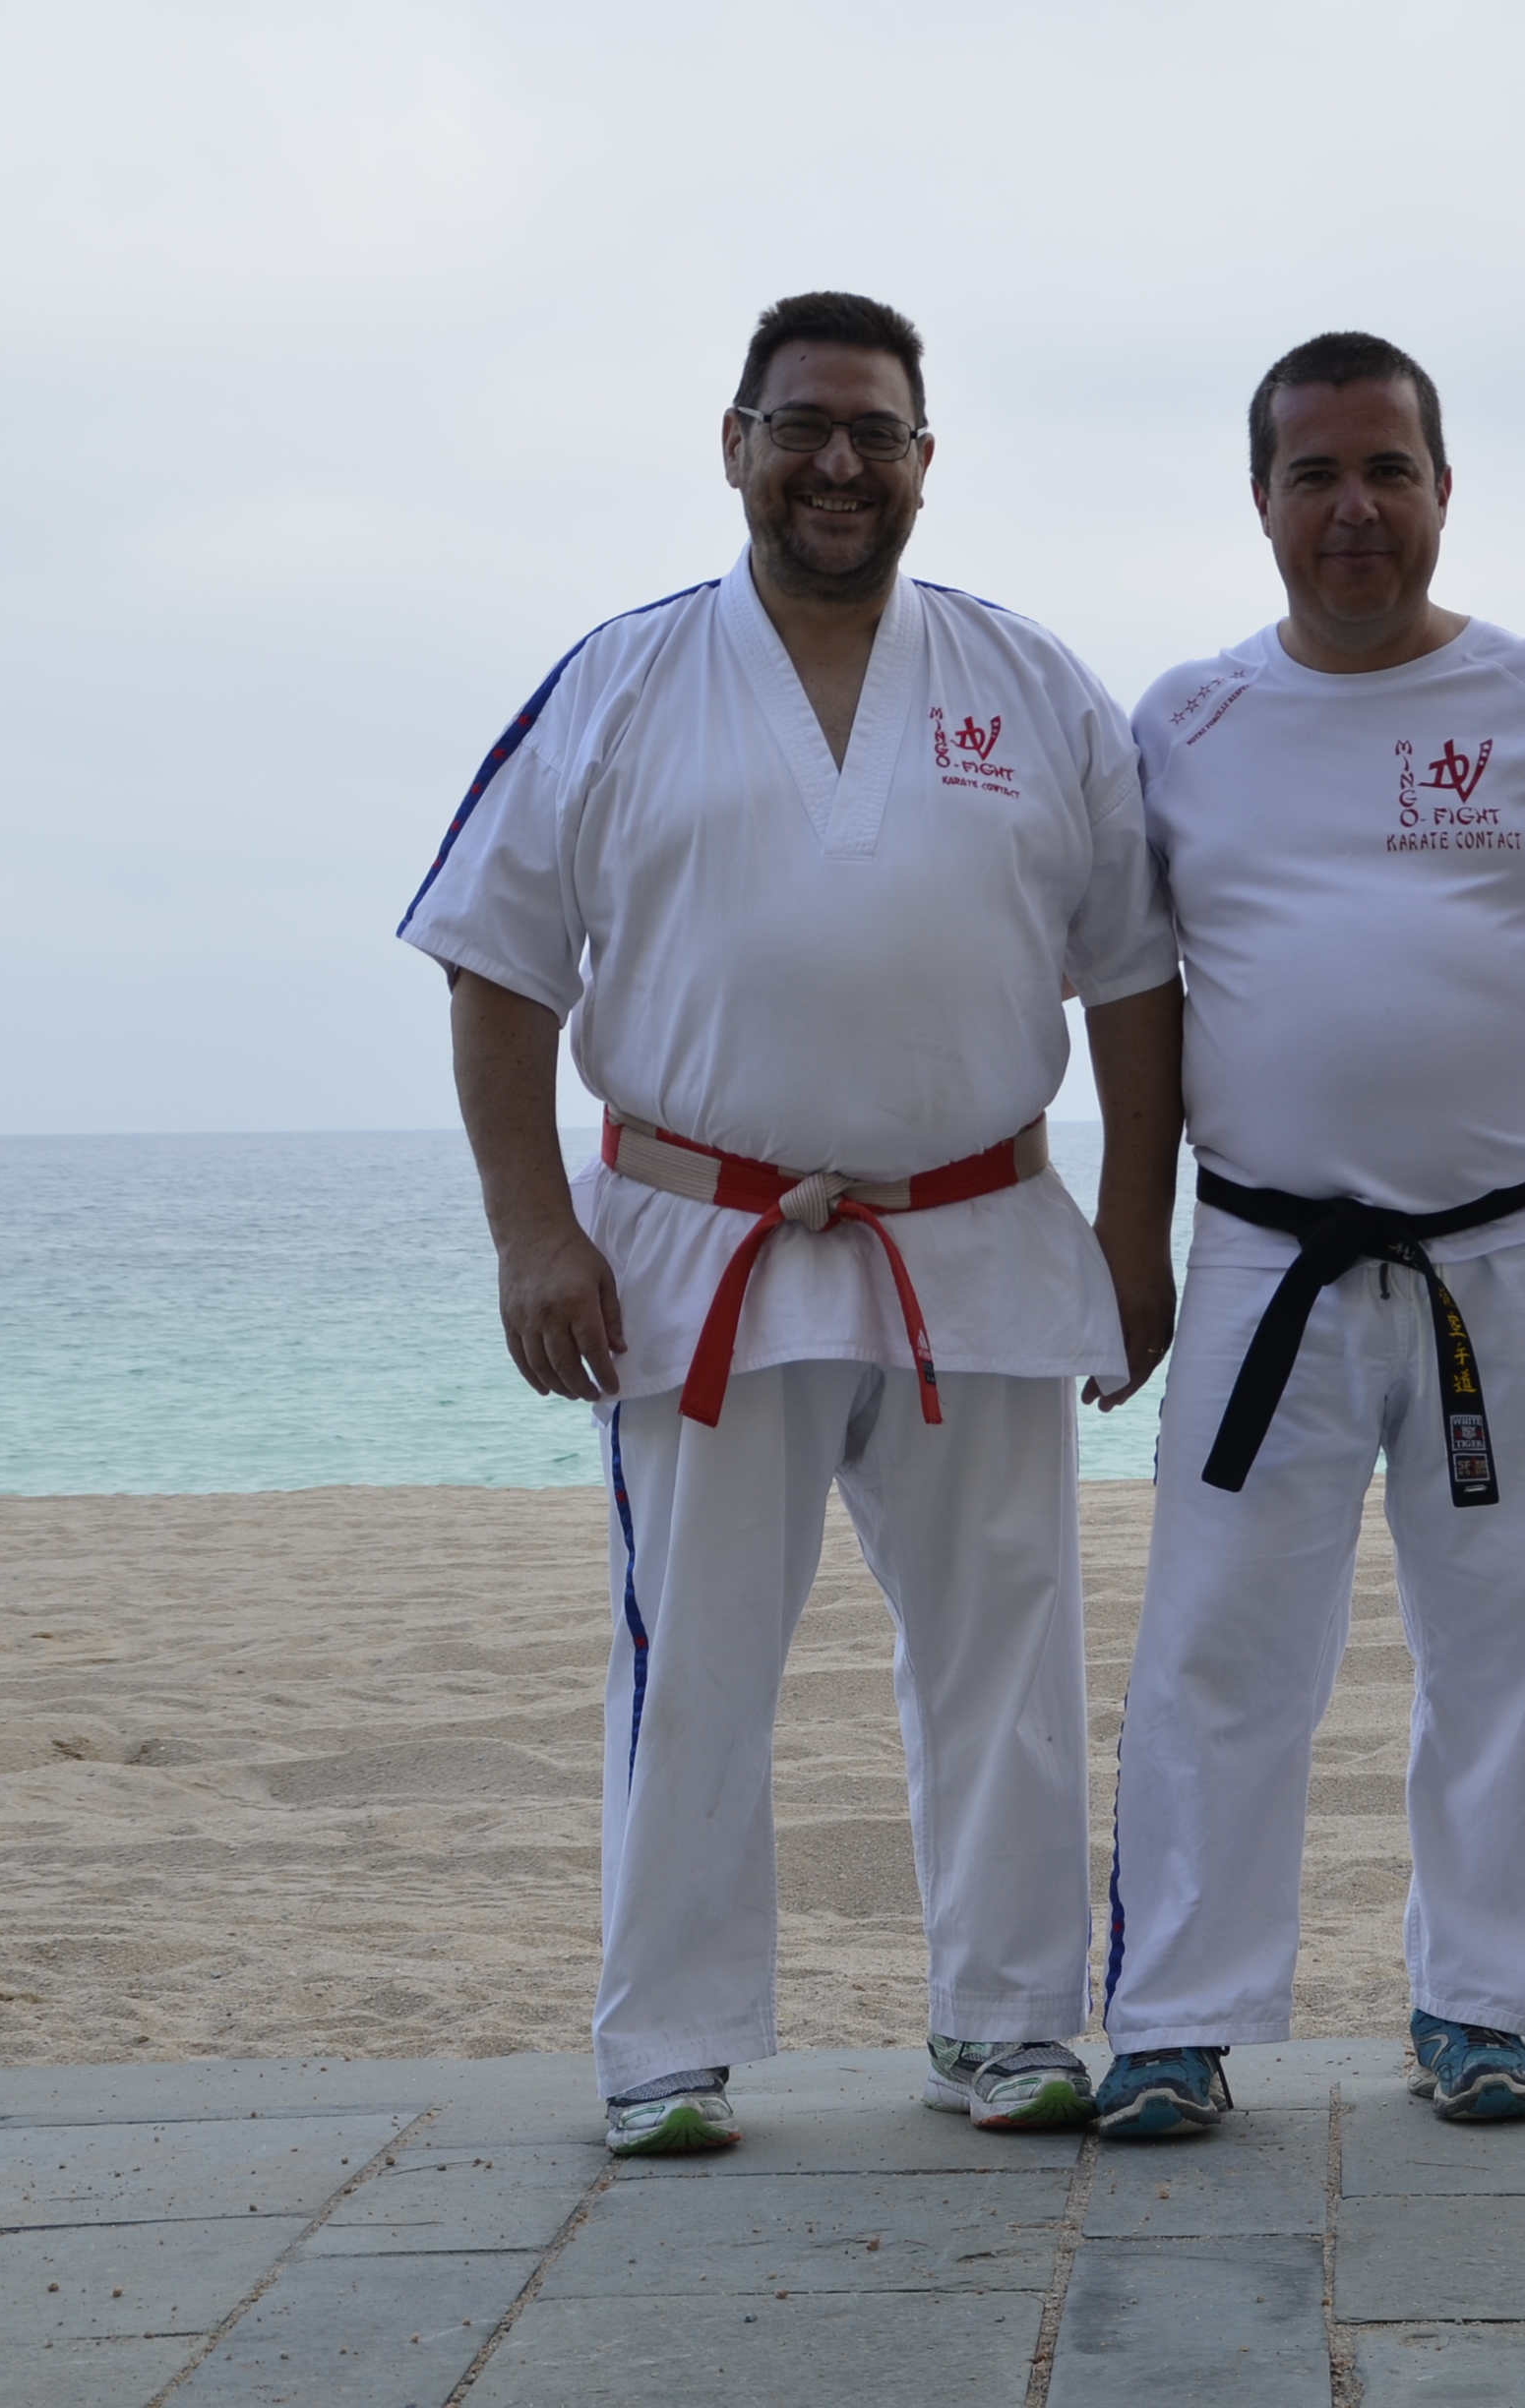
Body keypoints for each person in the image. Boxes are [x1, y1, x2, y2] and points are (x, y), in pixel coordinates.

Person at [398, 290, 1185, 2154]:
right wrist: (532, 1232)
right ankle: (665, 2048)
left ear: (925, 461)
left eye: (874, 433)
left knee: (1007, 1657)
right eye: (803, 427)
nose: (839, 464)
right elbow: (497, 968)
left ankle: (1007, 2023)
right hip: (697, 1243)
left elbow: (1137, 983)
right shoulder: (621, 681)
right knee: (693, 1662)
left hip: (975, 1234)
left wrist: (1133, 1238)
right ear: (736, 445)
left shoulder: (1031, 683)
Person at [1088, 333, 1525, 2138]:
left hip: (1516, 1251)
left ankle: (1483, 2006)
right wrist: (1126, 1237)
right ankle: (1175, 2020)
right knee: (1218, 1644)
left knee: (1523, 1647)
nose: (1354, 509)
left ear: (1445, 491)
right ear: (1260, 501)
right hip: (1266, 1259)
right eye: (1314, 474)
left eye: (1388, 470)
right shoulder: (1184, 724)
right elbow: (1127, 989)